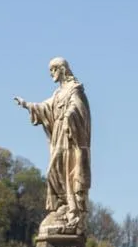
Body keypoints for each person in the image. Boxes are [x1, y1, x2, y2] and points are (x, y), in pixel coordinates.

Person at [15, 58, 91, 231]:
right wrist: (27, 105)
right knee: (53, 172)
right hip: (58, 136)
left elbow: (78, 108)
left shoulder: (75, 89)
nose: (51, 74)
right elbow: (46, 108)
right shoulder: (58, 93)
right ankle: (61, 205)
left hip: (70, 139)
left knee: (62, 170)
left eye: (53, 70)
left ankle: (70, 206)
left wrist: (69, 116)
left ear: (62, 69)